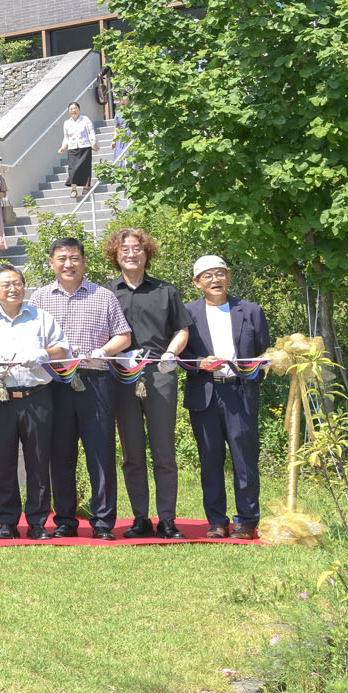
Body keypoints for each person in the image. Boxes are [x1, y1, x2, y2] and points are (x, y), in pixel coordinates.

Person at [29, 235, 132, 539]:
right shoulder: (39, 299)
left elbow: (124, 336)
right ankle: (65, 520)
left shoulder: (104, 296)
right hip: (55, 384)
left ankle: (102, 522)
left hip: (96, 381)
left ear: (84, 262)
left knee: (100, 453)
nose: (68, 264)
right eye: (62, 258)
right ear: (51, 263)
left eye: (74, 258)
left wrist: (105, 351)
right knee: (60, 454)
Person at [106, 227, 191, 539]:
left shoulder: (166, 291)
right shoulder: (106, 293)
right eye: (124, 249)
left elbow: (182, 329)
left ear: (147, 252)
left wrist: (171, 352)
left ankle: (167, 519)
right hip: (121, 376)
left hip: (160, 374)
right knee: (132, 453)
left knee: (164, 450)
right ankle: (140, 518)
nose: (131, 254)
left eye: (137, 248)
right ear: (115, 255)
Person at [179, 255, 270, 539]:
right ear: (197, 283)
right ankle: (216, 521)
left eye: (220, 274)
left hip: (239, 393)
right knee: (210, 460)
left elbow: (263, 352)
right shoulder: (187, 313)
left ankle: (246, 521)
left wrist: (250, 376)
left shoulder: (251, 310)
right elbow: (179, 353)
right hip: (204, 393)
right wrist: (199, 363)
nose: (215, 280)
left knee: (245, 459)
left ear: (229, 277)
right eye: (207, 276)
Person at [0, 262, 70, 539]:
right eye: (5, 284)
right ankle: (7, 521)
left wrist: (44, 354)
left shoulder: (41, 317)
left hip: (37, 396)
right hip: (1, 398)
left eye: (17, 283)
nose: (12, 288)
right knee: (4, 460)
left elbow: (63, 348)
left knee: (39, 461)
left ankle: (37, 521)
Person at [62, 103, 97, 205]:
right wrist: (63, 147)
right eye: (71, 109)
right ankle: (74, 189)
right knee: (72, 169)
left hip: (85, 146)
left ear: (79, 109)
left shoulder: (85, 119)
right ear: (69, 111)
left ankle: (86, 187)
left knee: (85, 168)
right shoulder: (66, 123)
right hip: (72, 148)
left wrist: (93, 142)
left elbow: (91, 132)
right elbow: (66, 137)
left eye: (75, 108)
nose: (73, 110)